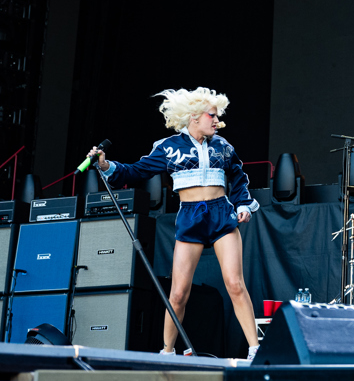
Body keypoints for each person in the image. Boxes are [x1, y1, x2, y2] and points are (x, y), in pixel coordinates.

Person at [88, 87, 260, 361]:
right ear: (194, 117)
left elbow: (238, 177)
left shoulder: (224, 146)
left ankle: (254, 349)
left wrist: (242, 205)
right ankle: (167, 351)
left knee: (235, 284)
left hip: (220, 215)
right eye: (212, 116)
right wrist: (106, 165)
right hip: (190, 216)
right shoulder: (169, 147)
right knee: (178, 293)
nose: (217, 121)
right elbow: (137, 170)